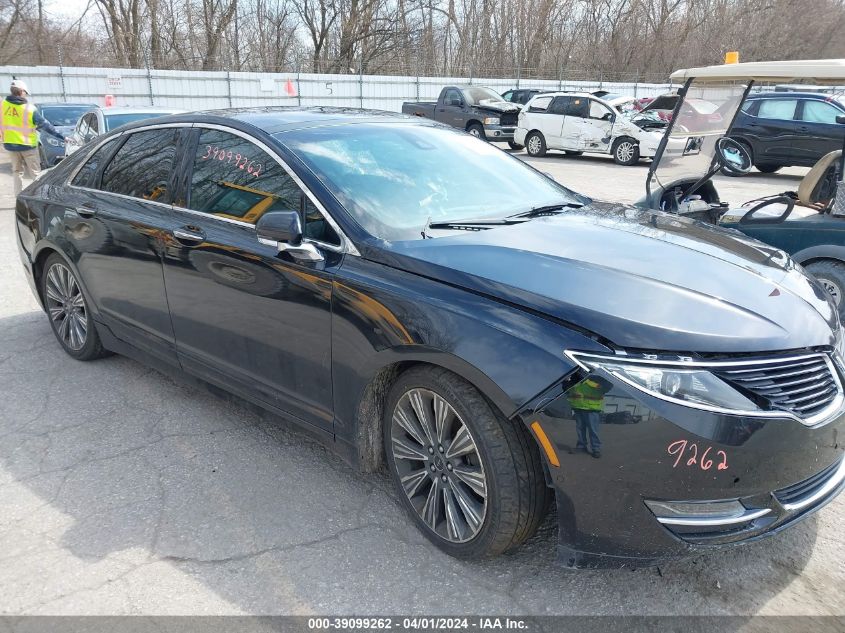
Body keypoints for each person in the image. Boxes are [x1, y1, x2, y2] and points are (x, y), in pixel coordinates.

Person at [2, 79, 65, 195]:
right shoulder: (29, 109)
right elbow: (45, 125)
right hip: (28, 147)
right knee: (35, 173)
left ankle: (18, 196)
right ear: (21, 91)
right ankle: (39, 196)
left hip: (10, 145)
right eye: (25, 92)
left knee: (17, 172)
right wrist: (61, 137)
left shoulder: (3, 105)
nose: (25, 95)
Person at [567, 377, 611, 458]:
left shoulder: (596, 376)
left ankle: (596, 449)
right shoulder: (575, 375)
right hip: (578, 406)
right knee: (580, 429)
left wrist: (591, 382)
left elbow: (607, 387)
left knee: (593, 430)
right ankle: (581, 447)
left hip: (592, 408)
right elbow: (568, 389)